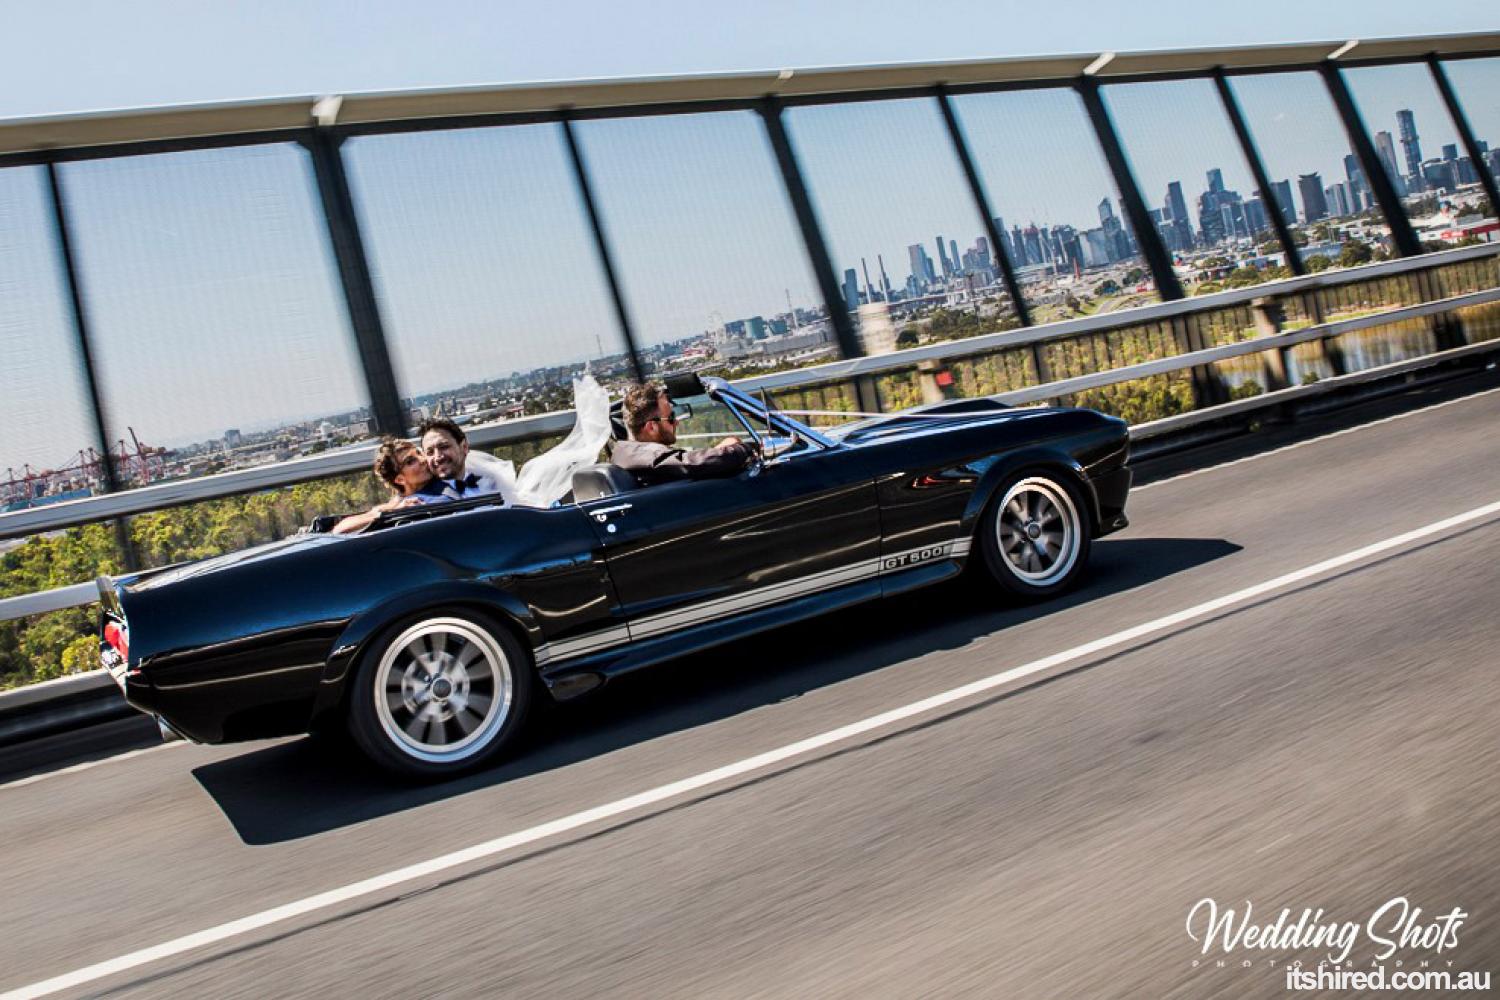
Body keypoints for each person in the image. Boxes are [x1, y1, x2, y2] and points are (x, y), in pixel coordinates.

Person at [612, 381, 755, 485]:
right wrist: (747, 448)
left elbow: (681, 462)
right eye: (671, 418)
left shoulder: (627, 452)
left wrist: (717, 450)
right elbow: (690, 464)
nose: (677, 422)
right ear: (651, 427)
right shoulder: (649, 457)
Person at [331, 437, 450, 535]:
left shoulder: (445, 479)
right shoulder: (397, 505)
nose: (423, 459)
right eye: (410, 461)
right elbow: (340, 530)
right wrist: (394, 512)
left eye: (419, 453)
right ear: (400, 479)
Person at [418, 416, 519, 504]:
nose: (437, 457)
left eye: (444, 447)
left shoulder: (493, 484)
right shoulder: (421, 501)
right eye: (430, 452)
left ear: (464, 447)